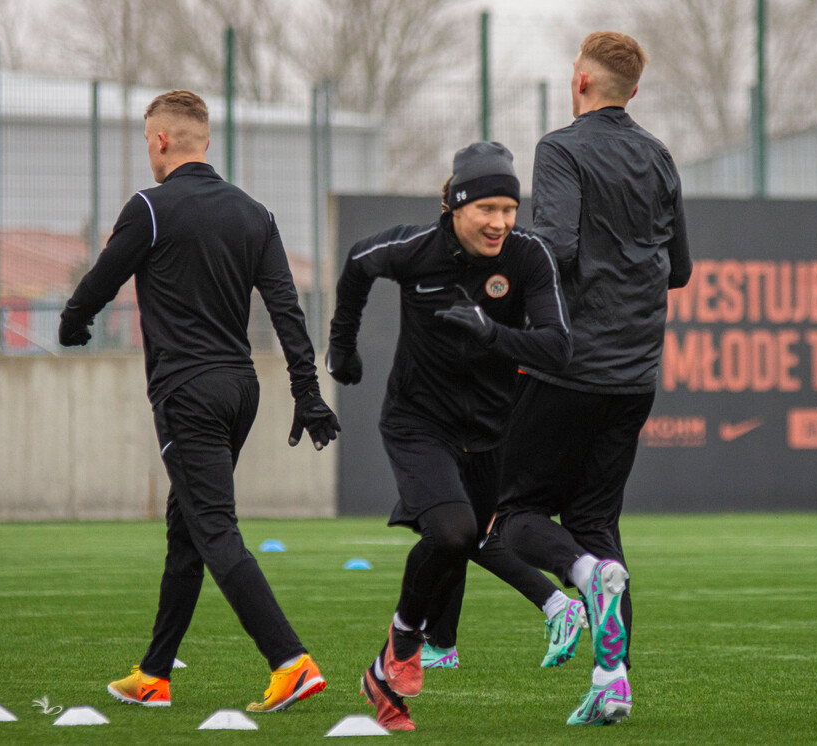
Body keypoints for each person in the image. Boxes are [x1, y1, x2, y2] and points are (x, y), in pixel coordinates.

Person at [58, 89, 339, 713]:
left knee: (213, 530)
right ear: (204, 141)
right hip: (241, 391)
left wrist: (73, 321)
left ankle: (289, 660)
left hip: (187, 394)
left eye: (147, 141)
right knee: (186, 528)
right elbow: (287, 310)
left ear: (160, 140)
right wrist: (308, 394)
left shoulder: (150, 209)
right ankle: (155, 673)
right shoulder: (255, 214)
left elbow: (104, 277)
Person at [326, 142, 576, 731]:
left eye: (509, 209)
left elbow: (558, 348)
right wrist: (341, 347)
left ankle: (383, 674)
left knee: (463, 542)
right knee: (454, 530)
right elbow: (359, 264)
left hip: (492, 434)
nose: (500, 223)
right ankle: (406, 643)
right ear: (457, 205)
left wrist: (493, 333)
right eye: (487, 208)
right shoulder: (416, 249)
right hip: (418, 424)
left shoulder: (529, 257)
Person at [498, 31, 693, 726]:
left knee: (512, 518)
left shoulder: (561, 149)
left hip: (568, 367)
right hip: (634, 375)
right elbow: (679, 270)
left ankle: (583, 580)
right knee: (596, 522)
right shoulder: (660, 157)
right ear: (632, 91)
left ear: (580, 82)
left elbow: (557, 250)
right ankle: (614, 682)